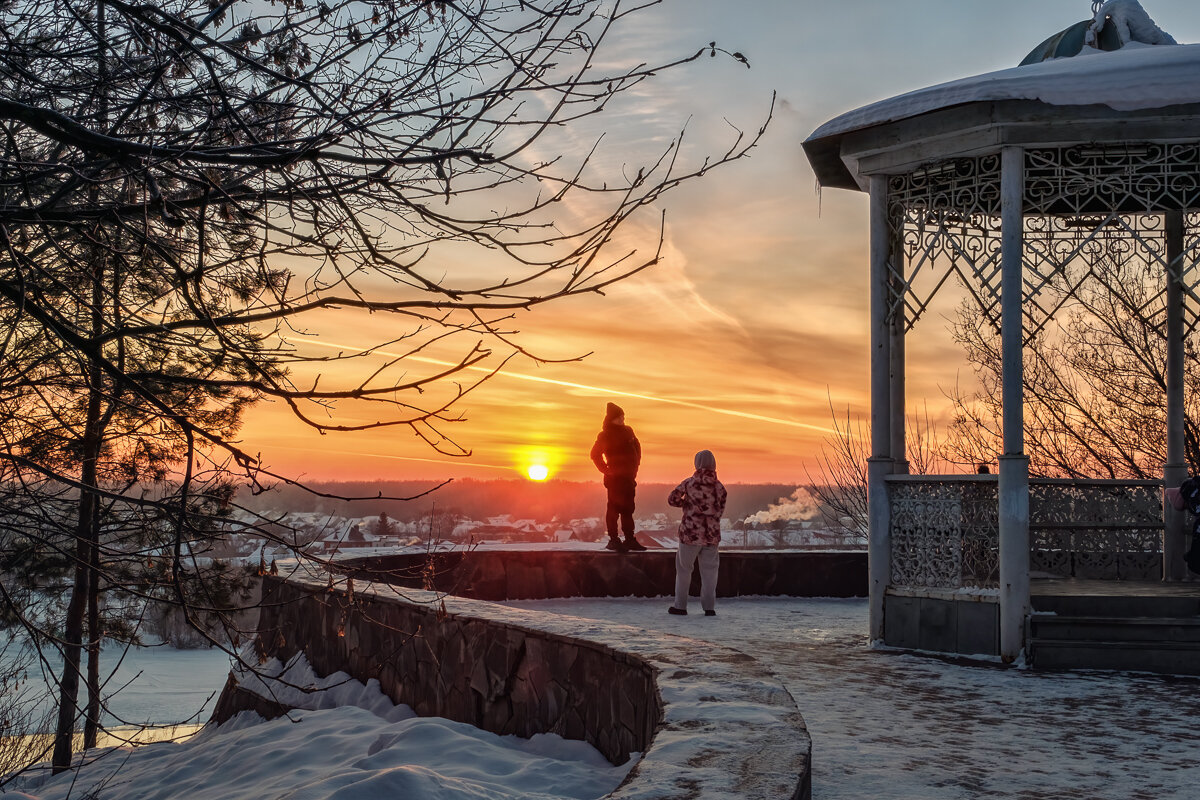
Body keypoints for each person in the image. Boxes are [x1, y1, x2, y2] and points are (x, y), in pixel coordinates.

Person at [666, 449, 727, 616]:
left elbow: (672, 499)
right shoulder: (720, 487)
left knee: (684, 570)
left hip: (690, 535)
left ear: (697, 463)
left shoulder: (689, 483)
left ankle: (680, 606)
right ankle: (709, 608)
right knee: (710, 574)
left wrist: (687, 504)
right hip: (711, 537)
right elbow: (720, 510)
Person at [590, 402, 646, 552]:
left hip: (629, 478)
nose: (622, 419)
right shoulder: (605, 435)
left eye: (623, 416)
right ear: (612, 419)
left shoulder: (628, 431)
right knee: (614, 509)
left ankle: (629, 539)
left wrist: (636, 465)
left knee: (628, 509)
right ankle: (614, 540)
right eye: (619, 417)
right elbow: (594, 454)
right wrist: (607, 471)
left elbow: (637, 447)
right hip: (615, 480)